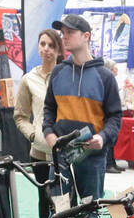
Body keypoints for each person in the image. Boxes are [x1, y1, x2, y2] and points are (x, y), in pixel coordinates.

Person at [43, 14, 122, 205]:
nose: (64, 37)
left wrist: (102, 138)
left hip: (91, 155)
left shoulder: (105, 76)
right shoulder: (58, 72)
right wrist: (49, 134)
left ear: (86, 36)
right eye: (63, 33)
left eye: (70, 32)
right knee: (60, 210)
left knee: (89, 211)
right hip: (60, 154)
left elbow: (115, 117)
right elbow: (49, 109)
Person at [13, 27, 64, 218]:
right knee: (45, 199)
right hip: (40, 153)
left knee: (65, 200)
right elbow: (20, 116)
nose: (46, 49)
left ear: (59, 50)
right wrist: (33, 135)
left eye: (51, 45)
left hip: (64, 151)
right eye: (43, 44)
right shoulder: (28, 79)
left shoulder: (66, 76)